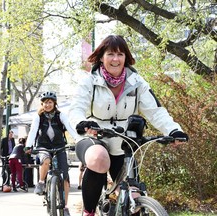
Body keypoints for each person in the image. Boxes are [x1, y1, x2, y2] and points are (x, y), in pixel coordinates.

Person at [68, 35, 189, 215]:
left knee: (133, 197)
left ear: (126, 58)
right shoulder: (90, 81)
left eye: (120, 54)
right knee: (99, 159)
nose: (115, 59)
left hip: (123, 142)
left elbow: (155, 111)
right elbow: (76, 108)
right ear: (101, 57)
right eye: (110, 54)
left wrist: (173, 130)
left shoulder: (137, 82)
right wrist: (83, 123)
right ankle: (89, 211)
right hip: (94, 137)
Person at [25, 91, 79, 216]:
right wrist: (28, 145)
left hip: (59, 146)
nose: (47, 105)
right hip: (43, 146)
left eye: (50, 102)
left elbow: (70, 127)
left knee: (65, 178)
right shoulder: (38, 116)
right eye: (45, 103)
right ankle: (41, 182)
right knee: (46, 160)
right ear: (42, 104)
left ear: (54, 103)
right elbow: (33, 131)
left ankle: (65, 207)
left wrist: (77, 139)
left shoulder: (61, 116)